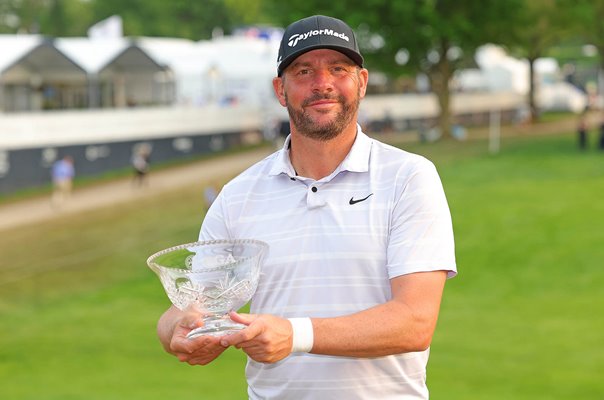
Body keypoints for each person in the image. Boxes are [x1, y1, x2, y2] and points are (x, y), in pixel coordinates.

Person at [157, 15, 457, 399]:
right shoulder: (238, 196)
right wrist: (175, 332)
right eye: (303, 71)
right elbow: (194, 306)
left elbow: (414, 322)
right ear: (280, 90)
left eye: (338, 68)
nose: (323, 83)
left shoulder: (408, 177)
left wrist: (295, 335)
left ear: (361, 82)